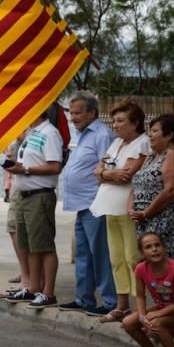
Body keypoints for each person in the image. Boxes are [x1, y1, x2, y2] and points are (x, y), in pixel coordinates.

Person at [56, 91, 118, 316]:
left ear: (92, 112)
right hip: (81, 205)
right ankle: (84, 299)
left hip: (95, 204)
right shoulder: (84, 134)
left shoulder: (102, 134)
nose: (73, 118)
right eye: (71, 113)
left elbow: (109, 167)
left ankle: (111, 303)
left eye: (77, 113)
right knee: (83, 255)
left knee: (100, 254)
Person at [91, 100, 151, 323]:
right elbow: (98, 171)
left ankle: (139, 307)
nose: (115, 125)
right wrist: (107, 174)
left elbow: (127, 174)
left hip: (128, 207)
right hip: (108, 205)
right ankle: (122, 305)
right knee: (116, 257)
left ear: (135, 123)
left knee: (132, 257)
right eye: (114, 120)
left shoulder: (142, 144)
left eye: (120, 120)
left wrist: (105, 174)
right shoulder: (116, 143)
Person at [4, 106, 65, 308]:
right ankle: (32, 289)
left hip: (39, 196)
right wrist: (14, 166)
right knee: (29, 245)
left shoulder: (50, 133)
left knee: (44, 245)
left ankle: (49, 292)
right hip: (24, 195)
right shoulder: (32, 133)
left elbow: (55, 166)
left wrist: (26, 169)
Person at [130, 114, 174, 259]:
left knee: (160, 264)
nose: (150, 135)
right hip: (143, 220)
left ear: (169, 135)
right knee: (145, 265)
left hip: (163, 220)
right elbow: (137, 183)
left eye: (155, 131)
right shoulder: (152, 155)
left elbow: (171, 190)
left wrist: (147, 213)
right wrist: (132, 208)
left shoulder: (173, 154)